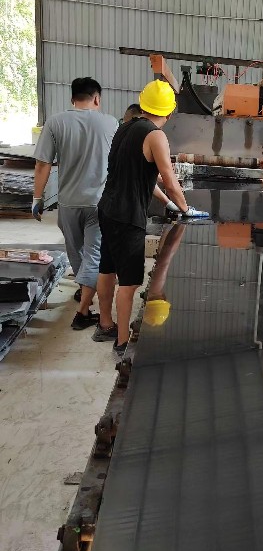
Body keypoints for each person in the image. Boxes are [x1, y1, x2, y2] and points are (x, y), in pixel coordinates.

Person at [93, 80, 208, 358]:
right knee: (129, 282)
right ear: (169, 112)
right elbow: (168, 178)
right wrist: (186, 209)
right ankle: (122, 342)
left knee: (107, 269)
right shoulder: (156, 136)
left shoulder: (125, 128)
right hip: (127, 216)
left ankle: (105, 325)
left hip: (107, 209)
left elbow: (142, 177)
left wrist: (169, 203)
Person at [33, 77, 118, 330]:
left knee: (76, 252)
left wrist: (37, 198)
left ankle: (85, 295)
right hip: (99, 203)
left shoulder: (55, 122)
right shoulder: (110, 123)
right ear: (97, 98)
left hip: (68, 203)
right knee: (94, 255)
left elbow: (42, 164)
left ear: (72, 99)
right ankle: (82, 312)